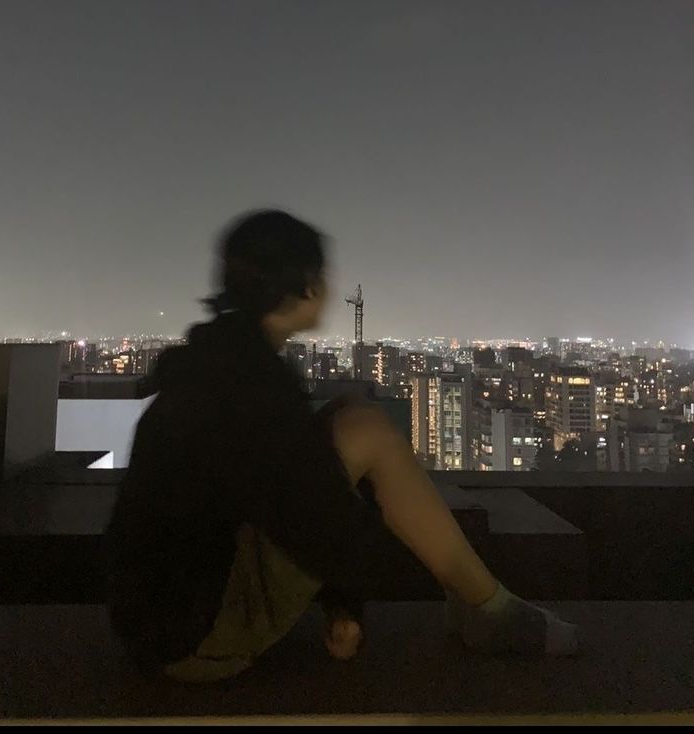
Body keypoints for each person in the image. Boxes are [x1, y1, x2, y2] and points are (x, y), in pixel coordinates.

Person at [105, 210, 578, 682]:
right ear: (306, 287)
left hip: (159, 621)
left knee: (346, 420)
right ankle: (488, 612)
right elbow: (319, 522)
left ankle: (475, 603)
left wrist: (339, 602)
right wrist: (362, 591)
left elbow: (282, 495)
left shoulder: (217, 362)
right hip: (199, 637)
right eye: (325, 277)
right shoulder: (254, 382)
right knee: (366, 428)